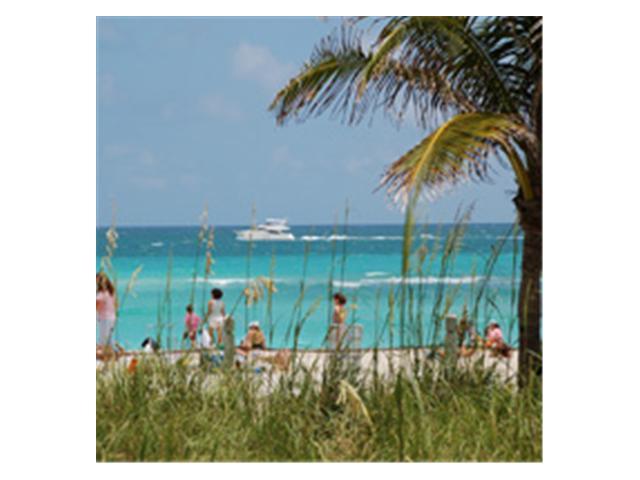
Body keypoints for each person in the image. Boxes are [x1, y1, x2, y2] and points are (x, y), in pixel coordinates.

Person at [96, 274, 117, 348]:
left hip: (104, 319)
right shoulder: (111, 292)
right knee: (110, 340)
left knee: (103, 341)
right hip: (112, 317)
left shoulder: (101, 294)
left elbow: (96, 306)